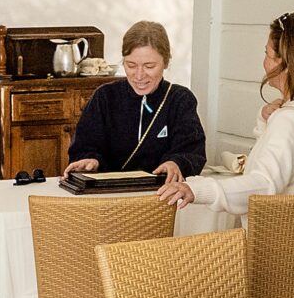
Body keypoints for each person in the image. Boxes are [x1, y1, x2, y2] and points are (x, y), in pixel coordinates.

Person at [156, 10, 294, 219]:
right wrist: (264, 121)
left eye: (267, 54)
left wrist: (197, 189)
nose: (264, 63)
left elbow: (264, 184)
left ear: (287, 64)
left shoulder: (290, 119)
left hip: (276, 245)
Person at [65, 20, 205, 181]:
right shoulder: (104, 97)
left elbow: (192, 151)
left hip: (162, 194)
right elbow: (84, 146)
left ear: (165, 63)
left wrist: (176, 163)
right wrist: (90, 159)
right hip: (108, 196)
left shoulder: (180, 99)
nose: (139, 75)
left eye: (149, 66)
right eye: (131, 65)